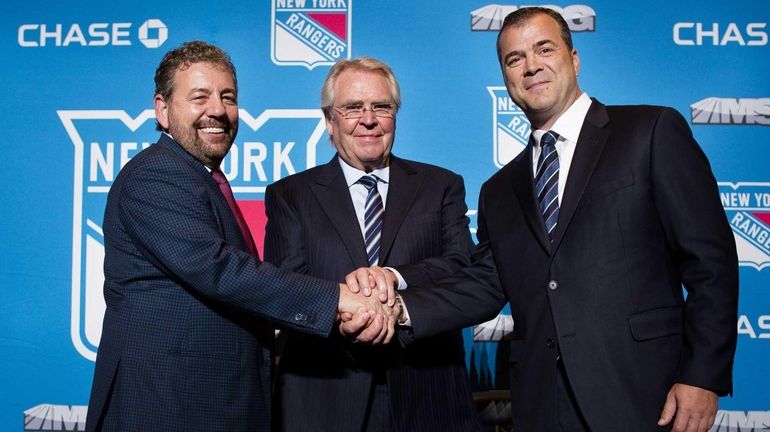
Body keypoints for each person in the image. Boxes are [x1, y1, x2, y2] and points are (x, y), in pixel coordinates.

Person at [390, 7, 739, 432]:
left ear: (574, 60)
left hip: (644, 392)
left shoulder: (649, 131)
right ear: (506, 78)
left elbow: (711, 263)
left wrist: (702, 375)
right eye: (514, 59)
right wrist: (399, 309)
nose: (531, 65)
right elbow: (483, 285)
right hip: (542, 403)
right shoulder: (499, 190)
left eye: (544, 49)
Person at [84, 41, 394, 432]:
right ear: (162, 110)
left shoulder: (201, 179)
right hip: (167, 406)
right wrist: (339, 298)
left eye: (227, 97)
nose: (217, 109)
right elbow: (221, 270)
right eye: (200, 97)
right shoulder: (155, 175)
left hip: (210, 404)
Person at [264, 57, 482, 432]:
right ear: (330, 121)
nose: (368, 119)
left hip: (426, 393)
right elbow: (287, 286)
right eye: (352, 108)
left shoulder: (441, 186)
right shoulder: (291, 195)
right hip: (325, 395)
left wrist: (392, 278)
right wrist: (348, 317)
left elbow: (462, 267)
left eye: (381, 106)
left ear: (395, 115)